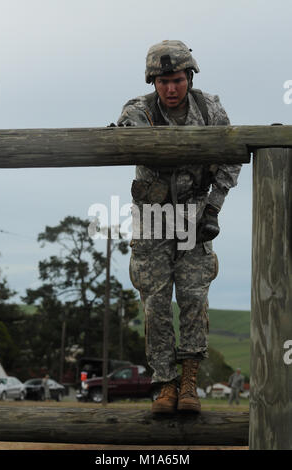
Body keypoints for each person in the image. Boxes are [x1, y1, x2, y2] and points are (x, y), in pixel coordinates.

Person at [117, 40, 241, 414]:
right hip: (153, 218)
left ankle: (188, 382)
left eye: (176, 80)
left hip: (194, 215)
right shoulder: (138, 110)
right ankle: (164, 384)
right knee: (154, 302)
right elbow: (127, 133)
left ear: (188, 76)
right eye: (162, 81)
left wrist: (213, 208)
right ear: (152, 82)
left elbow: (232, 156)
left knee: (193, 298)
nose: (170, 89)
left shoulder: (209, 110)